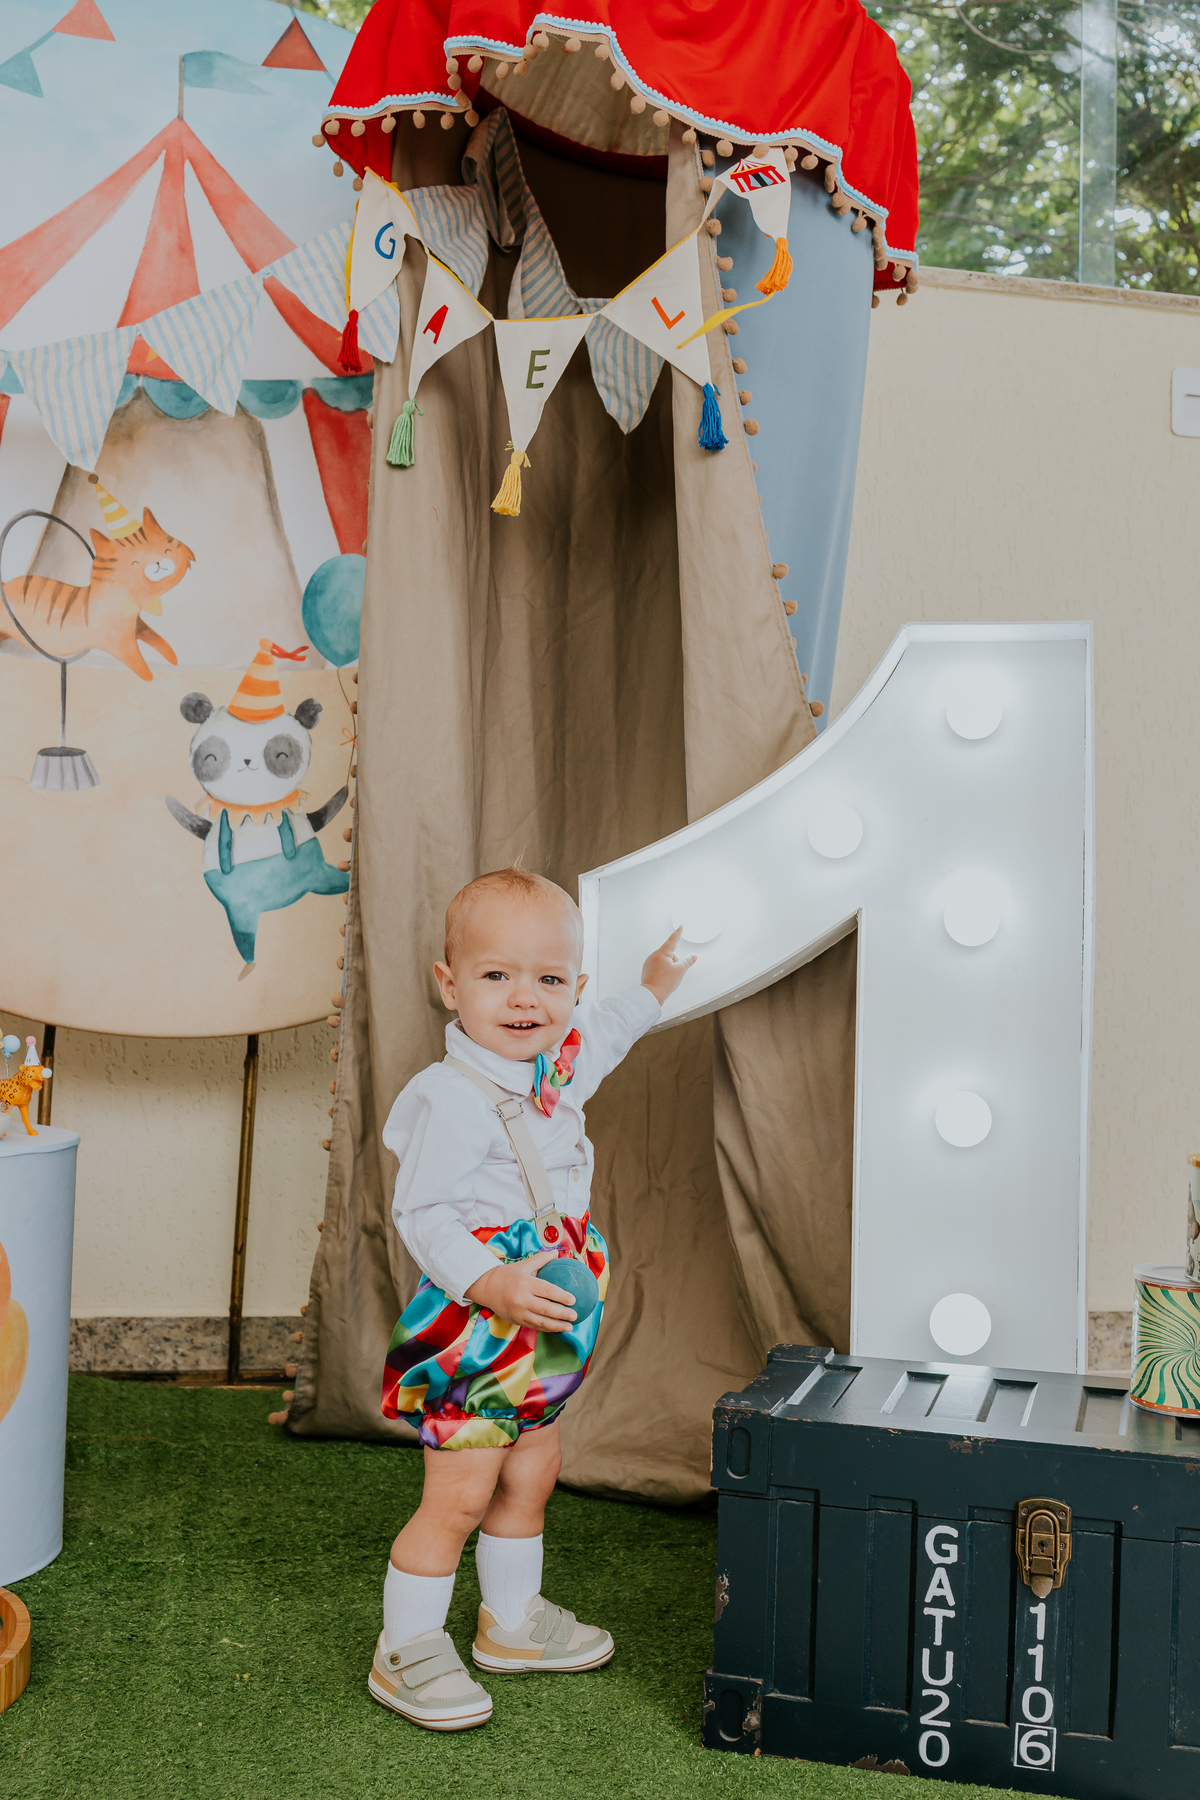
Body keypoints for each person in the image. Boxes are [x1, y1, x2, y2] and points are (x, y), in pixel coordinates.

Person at [367, 866, 695, 1729]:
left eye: (549, 980)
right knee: (461, 1495)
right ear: (451, 983)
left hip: (549, 1309)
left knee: (533, 1469)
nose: (525, 999)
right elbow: (423, 1210)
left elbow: (610, 1031)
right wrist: (491, 1280)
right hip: (481, 1317)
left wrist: (658, 980)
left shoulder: (557, 1063)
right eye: (496, 975)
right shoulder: (450, 1096)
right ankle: (404, 1650)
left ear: (574, 988)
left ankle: (510, 1624)